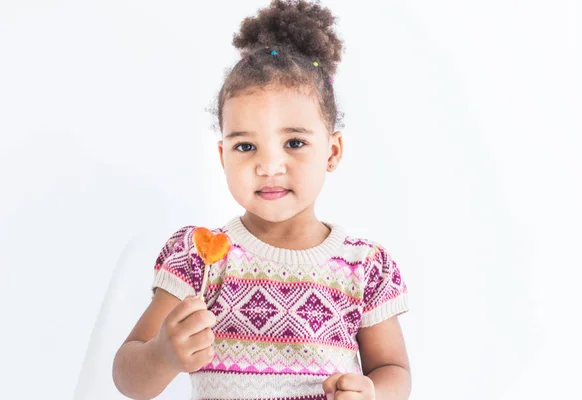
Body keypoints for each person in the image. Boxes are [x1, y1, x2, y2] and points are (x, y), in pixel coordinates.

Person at [112, 1, 411, 399]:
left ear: (333, 152)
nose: (269, 166)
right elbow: (128, 376)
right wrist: (163, 355)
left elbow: (393, 369)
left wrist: (373, 393)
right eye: (246, 146)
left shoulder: (363, 268)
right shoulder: (200, 258)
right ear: (222, 157)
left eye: (294, 142)